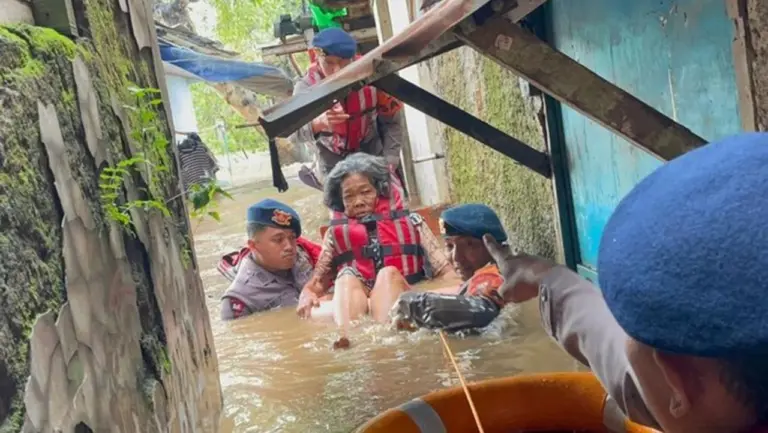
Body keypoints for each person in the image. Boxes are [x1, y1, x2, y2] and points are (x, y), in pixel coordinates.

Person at [482, 133, 768, 433]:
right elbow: (622, 360)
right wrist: (545, 278)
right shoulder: (714, 397)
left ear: (678, 382)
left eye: (629, 328)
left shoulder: (691, 401)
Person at [296, 153, 456, 344]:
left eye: (365, 192)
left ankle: (386, 338)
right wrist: (307, 294)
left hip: (401, 292)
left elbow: (446, 272)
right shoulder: (335, 233)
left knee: (388, 274)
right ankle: (348, 339)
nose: (358, 202)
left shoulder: (413, 222)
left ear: (380, 191)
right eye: (349, 196)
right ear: (340, 201)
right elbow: (317, 284)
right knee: (345, 276)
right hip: (357, 300)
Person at [290, 28, 406, 184]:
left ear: (353, 59)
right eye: (329, 63)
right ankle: (317, 178)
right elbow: (292, 134)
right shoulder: (306, 88)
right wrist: (319, 124)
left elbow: (392, 123)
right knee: (342, 203)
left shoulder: (374, 76)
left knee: (389, 197)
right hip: (331, 158)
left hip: (370, 149)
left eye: (344, 64)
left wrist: (390, 161)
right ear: (316, 58)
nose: (337, 71)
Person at [390, 204, 510, 333]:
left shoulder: (492, 276)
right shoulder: (484, 276)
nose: (456, 257)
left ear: (494, 247)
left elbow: (484, 309)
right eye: (449, 246)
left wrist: (418, 305)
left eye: (469, 245)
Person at [220, 199, 316, 320]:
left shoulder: (302, 257)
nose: (289, 247)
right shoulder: (240, 300)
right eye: (278, 240)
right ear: (253, 246)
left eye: (292, 237)